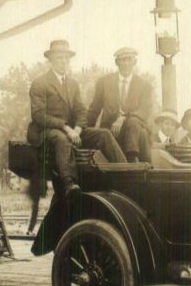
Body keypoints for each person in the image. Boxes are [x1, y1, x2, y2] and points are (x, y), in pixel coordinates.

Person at [26, 40, 126, 200]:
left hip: (72, 130)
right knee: (62, 139)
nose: (64, 61)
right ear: (51, 60)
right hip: (46, 131)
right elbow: (39, 115)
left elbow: (81, 111)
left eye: (67, 58)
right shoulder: (40, 83)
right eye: (60, 58)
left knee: (104, 134)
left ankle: (127, 173)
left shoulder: (72, 84)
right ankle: (69, 183)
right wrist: (66, 128)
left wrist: (78, 129)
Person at [87, 47, 153, 163]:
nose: (126, 64)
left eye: (129, 60)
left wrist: (123, 118)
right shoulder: (104, 82)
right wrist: (83, 131)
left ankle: (132, 158)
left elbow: (144, 111)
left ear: (135, 62)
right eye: (123, 60)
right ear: (117, 62)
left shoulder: (144, 85)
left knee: (134, 122)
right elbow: (94, 109)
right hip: (110, 132)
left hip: (134, 135)